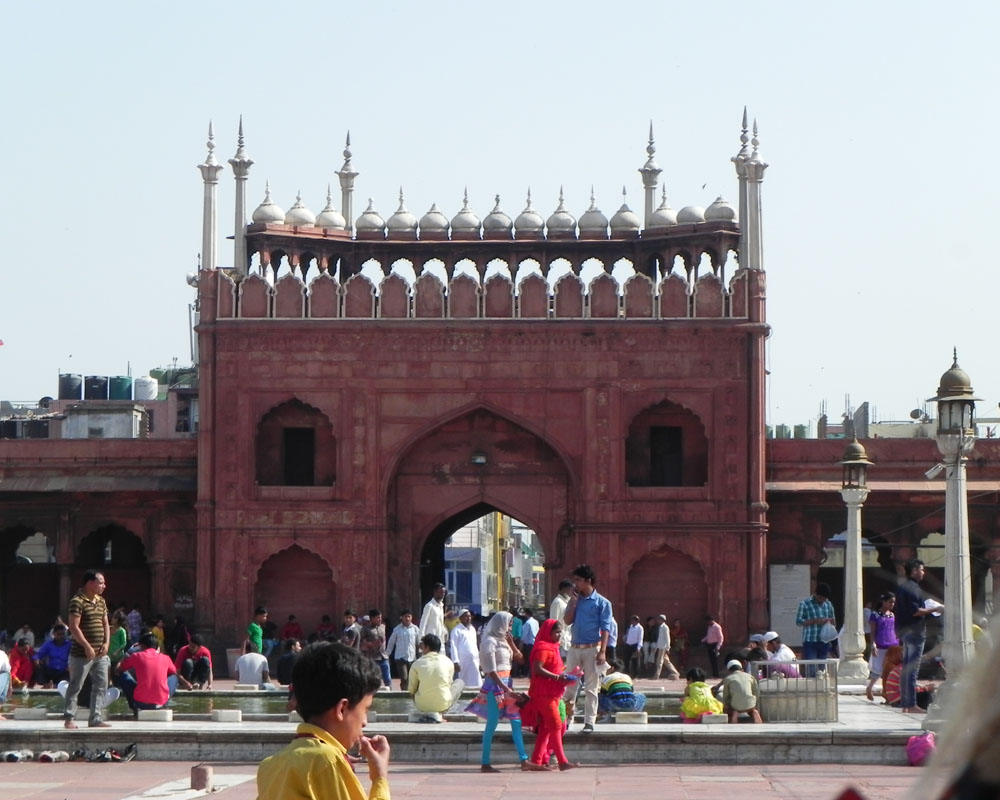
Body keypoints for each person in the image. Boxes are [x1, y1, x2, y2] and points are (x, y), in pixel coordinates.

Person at [256, 642, 391, 800]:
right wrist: (379, 778)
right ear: (342, 709)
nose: (364, 722)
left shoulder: (270, 765)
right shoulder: (328, 761)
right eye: (365, 710)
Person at [467, 611, 545, 772]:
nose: (510, 627)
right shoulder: (489, 642)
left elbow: (520, 659)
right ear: (500, 623)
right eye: (509, 623)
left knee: (516, 721)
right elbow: (491, 671)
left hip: (506, 684)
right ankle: (485, 762)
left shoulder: (504, 640)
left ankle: (524, 760)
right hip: (495, 687)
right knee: (492, 724)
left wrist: (512, 644)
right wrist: (507, 690)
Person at [562, 564, 613, 732]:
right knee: (570, 686)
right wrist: (574, 602)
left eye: (578, 580)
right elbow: (567, 621)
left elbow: (606, 628)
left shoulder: (602, 603)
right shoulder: (575, 600)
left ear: (588, 581)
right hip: (575, 648)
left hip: (593, 648)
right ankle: (567, 719)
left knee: (592, 687)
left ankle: (589, 722)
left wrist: (603, 652)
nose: (575, 584)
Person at [63, 570, 112, 729]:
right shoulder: (77, 601)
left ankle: (95, 718)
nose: (104, 586)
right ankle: (69, 717)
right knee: (76, 685)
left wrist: (106, 643)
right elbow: (74, 627)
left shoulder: (101, 601)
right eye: (101, 582)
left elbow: (105, 624)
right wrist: (87, 646)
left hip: (100, 653)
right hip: (82, 654)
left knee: (101, 684)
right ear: (90, 583)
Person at [527, 618, 578, 770]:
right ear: (548, 632)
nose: (559, 635)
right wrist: (557, 677)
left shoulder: (553, 647)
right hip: (543, 694)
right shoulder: (543, 648)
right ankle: (562, 762)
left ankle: (537, 761)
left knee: (546, 728)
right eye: (556, 632)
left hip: (553, 693)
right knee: (555, 725)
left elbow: (553, 667)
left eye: (560, 632)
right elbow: (537, 668)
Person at [896, 558, 940, 714]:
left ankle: (906, 705)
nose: (923, 572)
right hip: (915, 632)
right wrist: (935, 609)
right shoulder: (914, 588)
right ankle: (912, 704)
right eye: (921, 569)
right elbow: (915, 611)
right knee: (912, 670)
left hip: (904, 632)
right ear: (914, 571)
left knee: (906, 669)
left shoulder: (902, 587)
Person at [407, 634, 462, 723]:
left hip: (422, 706)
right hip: (442, 704)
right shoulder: (448, 661)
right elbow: (448, 684)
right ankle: (441, 714)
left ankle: (428, 708)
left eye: (422, 646)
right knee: (459, 682)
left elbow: (411, 690)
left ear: (427, 647)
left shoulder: (417, 664)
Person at [117, 632, 178, 711]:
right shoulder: (166, 658)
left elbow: (119, 669)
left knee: (123, 676)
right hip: (161, 702)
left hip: (140, 702)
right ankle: (164, 700)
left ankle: (133, 706)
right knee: (174, 678)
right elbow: (174, 672)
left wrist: (128, 652)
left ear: (142, 646)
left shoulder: (136, 656)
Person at [795, 583, 835, 675]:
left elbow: (834, 621)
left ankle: (821, 687)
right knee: (811, 667)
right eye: (821, 598)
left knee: (822, 668)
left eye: (825, 599)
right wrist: (814, 621)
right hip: (810, 640)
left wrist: (829, 621)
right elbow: (798, 621)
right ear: (816, 594)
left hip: (824, 640)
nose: (823, 601)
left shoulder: (828, 604)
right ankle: (812, 687)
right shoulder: (805, 604)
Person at [866, 592, 899, 702]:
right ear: (883, 602)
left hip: (892, 646)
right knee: (878, 670)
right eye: (890, 602)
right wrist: (873, 645)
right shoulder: (875, 615)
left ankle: (887, 694)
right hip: (880, 646)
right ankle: (870, 688)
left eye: (893, 602)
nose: (892, 604)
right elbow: (873, 632)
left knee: (889, 671)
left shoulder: (892, 615)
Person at [720, 659, 762, 724]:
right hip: (751, 705)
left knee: (732, 709)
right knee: (752, 709)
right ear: (741, 668)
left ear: (729, 670)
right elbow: (756, 692)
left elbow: (726, 696)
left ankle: (733, 719)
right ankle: (755, 713)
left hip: (736, 706)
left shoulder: (728, 679)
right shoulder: (750, 677)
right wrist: (753, 701)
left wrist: (728, 705)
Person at [386, 610, 419, 690]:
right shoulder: (397, 629)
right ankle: (404, 694)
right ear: (402, 618)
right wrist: (387, 654)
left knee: (412, 678)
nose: (407, 619)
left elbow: (419, 642)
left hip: (412, 657)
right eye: (405, 617)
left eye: (409, 616)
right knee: (404, 678)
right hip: (400, 658)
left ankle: (411, 694)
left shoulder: (415, 629)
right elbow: (391, 642)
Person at [449, 609, 482, 690]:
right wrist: (455, 661)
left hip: (474, 659)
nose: (468, 618)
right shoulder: (456, 630)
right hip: (463, 661)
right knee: (464, 682)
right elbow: (454, 647)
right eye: (466, 616)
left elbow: (475, 644)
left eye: (469, 616)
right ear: (460, 618)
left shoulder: (473, 629)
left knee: (477, 681)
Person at [419, 583, 448, 649]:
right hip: (430, 641)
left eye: (444, 593)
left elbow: (441, 624)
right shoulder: (429, 606)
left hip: (440, 641)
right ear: (435, 592)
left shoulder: (441, 606)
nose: (443, 594)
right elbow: (423, 624)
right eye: (441, 592)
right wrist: (421, 641)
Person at [549, 579, 574, 657]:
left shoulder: (567, 602)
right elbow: (553, 622)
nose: (571, 592)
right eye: (570, 589)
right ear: (564, 589)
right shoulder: (557, 602)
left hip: (568, 639)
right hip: (561, 640)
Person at [653, 614, 681, 679]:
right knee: (666, 661)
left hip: (663, 647)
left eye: (659, 619)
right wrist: (656, 647)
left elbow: (668, 638)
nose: (658, 620)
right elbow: (659, 638)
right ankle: (675, 672)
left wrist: (668, 647)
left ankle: (657, 675)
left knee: (659, 661)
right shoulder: (660, 627)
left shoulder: (665, 627)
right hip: (660, 646)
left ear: (662, 620)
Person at [519, 611, 539, 677]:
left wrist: (521, 642)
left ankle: (525, 673)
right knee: (533, 659)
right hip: (535, 642)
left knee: (527, 659)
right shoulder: (536, 622)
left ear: (527, 614)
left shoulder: (528, 623)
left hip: (528, 644)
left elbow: (524, 635)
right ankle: (532, 673)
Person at [0, 647, 10, 718]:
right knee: (5, 674)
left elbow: (8, 671)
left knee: (5, 674)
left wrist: (10, 686)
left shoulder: (2, 655)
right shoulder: (2, 654)